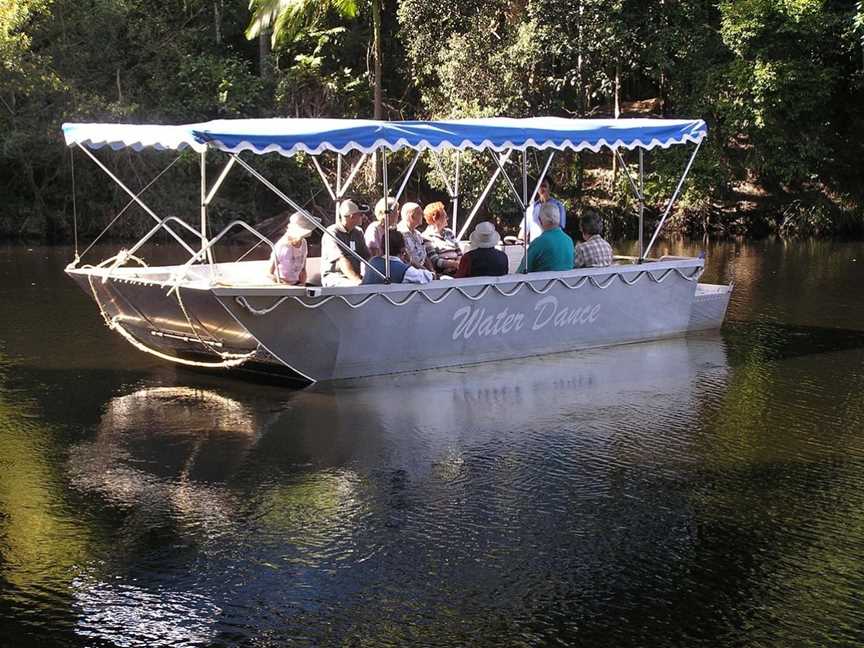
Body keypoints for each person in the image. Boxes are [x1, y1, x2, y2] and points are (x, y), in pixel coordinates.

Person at [321, 199, 370, 286]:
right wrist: (356, 280)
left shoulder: (358, 232)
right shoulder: (332, 233)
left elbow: (367, 257)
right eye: (361, 214)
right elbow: (341, 260)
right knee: (352, 286)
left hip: (354, 277)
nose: (363, 217)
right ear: (352, 216)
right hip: (334, 277)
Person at [516, 202, 574, 273]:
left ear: (540, 220)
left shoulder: (538, 243)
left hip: (543, 284)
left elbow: (521, 272)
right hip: (567, 284)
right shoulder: (569, 241)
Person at [362, 229, 434, 285]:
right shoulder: (405, 270)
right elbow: (431, 276)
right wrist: (412, 261)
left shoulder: (372, 262)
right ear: (403, 249)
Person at [268, 211, 320, 285]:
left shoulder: (304, 242)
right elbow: (269, 273)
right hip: (282, 285)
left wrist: (302, 285)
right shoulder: (281, 245)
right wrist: (283, 284)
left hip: (297, 284)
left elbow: (303, 270)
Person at [518, 178, 566, 243]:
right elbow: (523, 233)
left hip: (552, 246)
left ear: (550, 188)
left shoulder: (558, 206)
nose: (541, 188)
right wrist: (520, 241)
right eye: (539, 186)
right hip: (536, 248)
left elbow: (560, 230)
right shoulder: (531, 208)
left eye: (544, 186)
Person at [422, 201, 462, 275]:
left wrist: (458, 263)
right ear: (436, 219)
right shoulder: (427, 237)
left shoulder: (449, 232)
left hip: (458, 269)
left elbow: (459, 252)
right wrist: (454, 264)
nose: (447, 218)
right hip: (443, 273)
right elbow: (435, 261)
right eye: (445, 216)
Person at [398, 202, 435, 272]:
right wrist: (426, 271)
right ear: (412, 216)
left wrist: (432, 270)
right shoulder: (400, 234)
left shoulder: (418, 234)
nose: (423, 215)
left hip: (423, 271)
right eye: (420, 213)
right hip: (410, 272)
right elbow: (406, 259)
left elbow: (425, 255)